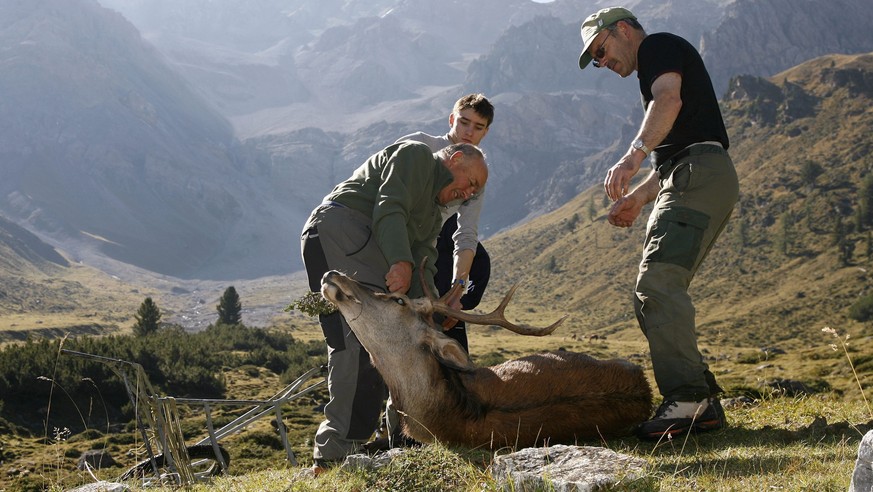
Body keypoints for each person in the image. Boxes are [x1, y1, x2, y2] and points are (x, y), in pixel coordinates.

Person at [578, 6, 738, 440]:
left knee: (658, 285)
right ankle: (700, 398)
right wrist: (636, 198)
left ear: (623, 30)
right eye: (596, 59)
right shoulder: (654, 62)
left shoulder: (659, 47)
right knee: (649, 294)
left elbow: (670, 102)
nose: (602, 64)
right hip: (688, 175)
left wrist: (631, 157)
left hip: (697, 176)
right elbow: (676, 146)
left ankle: (687, 400)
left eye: (602, 51)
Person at [300, 141, 488, 470]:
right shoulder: (416, 156)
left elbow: (424, 259)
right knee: (360, 344)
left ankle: (405, 436)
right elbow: (390, 208)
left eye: (475, 191)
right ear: (455, 159)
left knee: (403, 341)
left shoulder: (431, 211)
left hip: (362, 241)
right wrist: (400, 261)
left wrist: (429, 310)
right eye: (470, 182)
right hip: (345, 230)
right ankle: (334, 454)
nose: (469, 194)